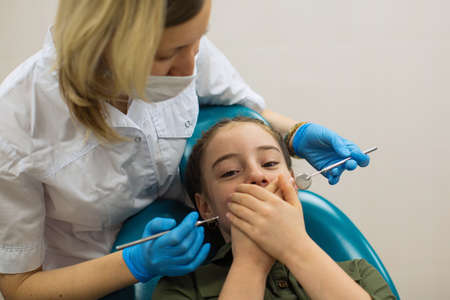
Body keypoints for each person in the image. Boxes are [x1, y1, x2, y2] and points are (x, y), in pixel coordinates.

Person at [0, 0, 370, 299]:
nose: (191, 64)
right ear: (105, 46)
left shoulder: (181, 39)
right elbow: (20, 286)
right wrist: (135, 263)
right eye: (168, 55)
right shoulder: (16, 127)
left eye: (197, 42)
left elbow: (243, 110)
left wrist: (294, 133)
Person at [153, 117, 395, 299]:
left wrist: (296, 248)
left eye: (269, 163)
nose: (257, 175)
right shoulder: (182, 289)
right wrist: (250, 265)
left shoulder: (358, 274)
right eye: (230, 172)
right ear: (205, 207)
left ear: (293, 183)